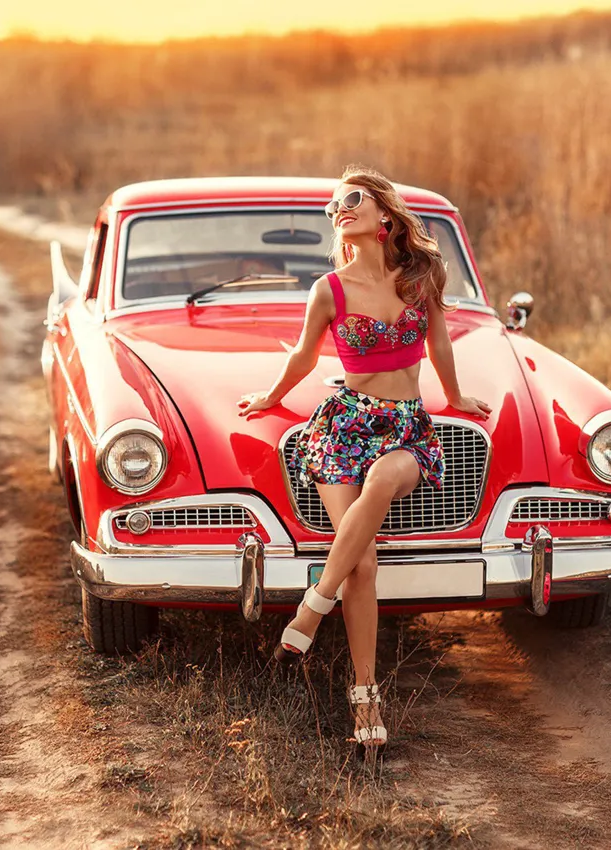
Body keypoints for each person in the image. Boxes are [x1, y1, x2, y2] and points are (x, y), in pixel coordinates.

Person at [236, 164, 491, 757]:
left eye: (351, 199)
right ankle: (366, 695)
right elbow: (303, 356)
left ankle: (309, 610)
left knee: (385, 479)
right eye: (333, 206)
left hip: (405, 428)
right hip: (344, 426)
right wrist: (271, 397)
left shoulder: (423, 274)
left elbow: (441, 343)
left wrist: (453, 398)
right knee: (363, 566)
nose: (339, 209)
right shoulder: (330, 289)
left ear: (384, 212)